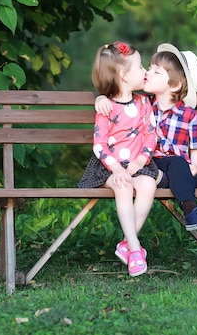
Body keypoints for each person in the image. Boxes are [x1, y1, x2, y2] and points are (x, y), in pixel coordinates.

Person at [96, 43, 197, 231]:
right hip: (149, 163)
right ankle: (191, 211)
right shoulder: (142, 104)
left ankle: (177, 181)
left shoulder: (191, 116)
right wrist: (101, 98)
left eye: (156, 71)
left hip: (179, 168)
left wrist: (194, 168)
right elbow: (119, 94)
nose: (147, 72)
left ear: (174, 84)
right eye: (149, 68)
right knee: (176, 163)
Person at [78, 41, 157, 277]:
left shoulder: (144, 103)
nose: (144, 71)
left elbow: (151, 135)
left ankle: (126, 244)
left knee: (148, 184)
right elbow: (99, 145)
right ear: (123, 75)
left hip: (137, 165)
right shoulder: (106, 106)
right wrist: (116, 169)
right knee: (123, 186)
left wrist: (142, 161)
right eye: (140, 66)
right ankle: (135, 250)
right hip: (108, 168)